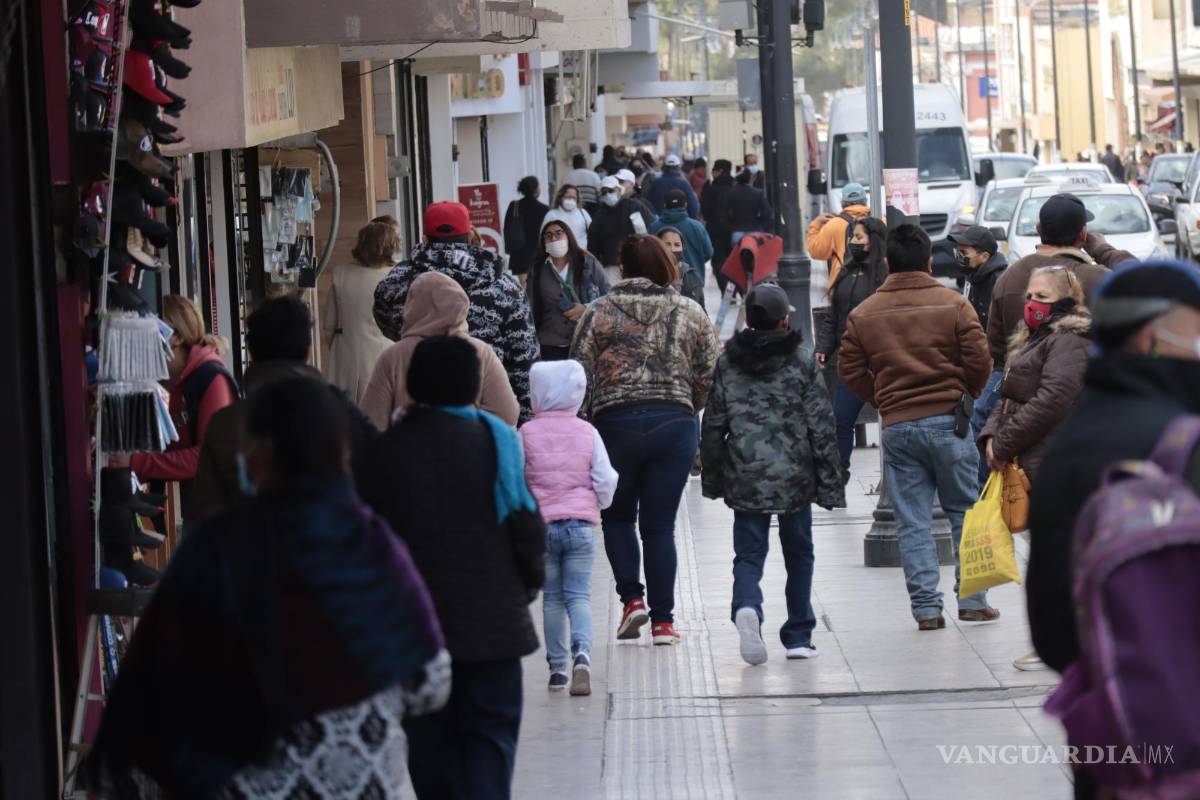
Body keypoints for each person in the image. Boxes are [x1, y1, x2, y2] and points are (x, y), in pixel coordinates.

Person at [84, 377, 450, 799]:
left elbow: (159, 682)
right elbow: (431, 681)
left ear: (264, 452)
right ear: (340, 451)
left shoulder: (217, 548)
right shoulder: (371, 545)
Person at [1026, 261, 1200, 800]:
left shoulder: (1070, 445)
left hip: (1114, 746)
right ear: (1153, 335)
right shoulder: (1186, 443)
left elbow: (1051, 630)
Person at [357, 335, 546, 800]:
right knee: (489, 742)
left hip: (414, 633)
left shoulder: (382, 453)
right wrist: (522, 588)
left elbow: (367, 547)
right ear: (472, 385)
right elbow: (525, 525)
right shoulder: (497, 438)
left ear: (415, 384)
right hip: (492, 629)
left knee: (430, 750)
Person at [838, 224, 997, 630]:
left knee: (912, 520)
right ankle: (972, 600)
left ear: (888, 263)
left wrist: (881, 399)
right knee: (965, 510)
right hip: (950, 421)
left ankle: (927, 609)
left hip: (898, 424)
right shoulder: (954, 305)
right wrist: (968, 393)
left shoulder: (864, 313)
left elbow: (850, 371)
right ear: (929, 261)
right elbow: (980, 360)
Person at [571, 235, 720, 646]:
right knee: (659, 527)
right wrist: (689, 405)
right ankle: (664, 623)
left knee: (617, 518)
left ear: (622, 267)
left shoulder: (597, 313)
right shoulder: (689, 311)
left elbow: (578, 372)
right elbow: (710, 369)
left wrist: (588, 420)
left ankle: (632, 600)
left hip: (614, 423)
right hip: (673, 424)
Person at [701, 283, 845, 666]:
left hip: (746, 474)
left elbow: (713, 424)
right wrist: (831, 486)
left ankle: (747, 605)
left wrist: (713, 480)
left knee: (748, 553)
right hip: (795, 475)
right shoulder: (800, 362)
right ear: (785, 320)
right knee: (799, 553)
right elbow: (821, 426)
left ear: (748, 320)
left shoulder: (727, 364)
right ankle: (799, 634)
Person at [976, 267, 1091, 673]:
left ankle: (1065, 644)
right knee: (1049, 560)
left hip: (1052, 462)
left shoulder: (1068, 343)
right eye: (1030, 294)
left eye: (1041, 296)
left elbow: (1053, 399)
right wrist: (991, 437)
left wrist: (1004, 444)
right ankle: (1059, 642)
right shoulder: (1033, 340)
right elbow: (1004, 395)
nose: (1031, 303)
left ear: (1063, 301)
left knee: (1061, 562)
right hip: (1030, 461)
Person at [191, 296, 378, 519]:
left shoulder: (225, 424)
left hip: (248, 550)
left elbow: (204, 516)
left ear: (252, 353)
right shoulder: (341, 412)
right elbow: (378, 486)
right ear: (308, 352)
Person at [374, 200, 540, 421]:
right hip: (486, 415)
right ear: (470, 236)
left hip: (415, 413)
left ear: (424, 238)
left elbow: (387, 323)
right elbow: (523, 358)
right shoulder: (504, 287)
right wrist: (525, 423)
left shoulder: (397, 283)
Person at [520, 360, 619, 695]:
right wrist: (597, 504)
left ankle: (558, 670)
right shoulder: (588, 432)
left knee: (552, 600)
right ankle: (582, 655)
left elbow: (518, 479)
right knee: (579, 596)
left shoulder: (526, 433)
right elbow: (605, 478)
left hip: (542, 528)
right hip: (580, 526)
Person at [987, 193, 1133, 381]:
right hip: (1084, 395)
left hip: (1020, 398)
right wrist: (1103, 250)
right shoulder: (1098, 279)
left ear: (1039, 230)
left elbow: (997, 349)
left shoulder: (1010, 276)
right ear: (1083, 235)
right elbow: (1142, 281)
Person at [110, 295, 237, 502]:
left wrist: (136, 461)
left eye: (152, 332)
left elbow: (204, 458)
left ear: (176, 338)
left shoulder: (212, 380)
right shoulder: (170, 382)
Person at [362, 271, 519, 429]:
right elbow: (508, 413)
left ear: (412, 305)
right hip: (467, 449)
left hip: (408, 450)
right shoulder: (480, 352)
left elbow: (371, 422)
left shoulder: (393, 357)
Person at [814, 216, 888, 482]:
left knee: (891, 420)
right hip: (852, 361)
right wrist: (824, 346)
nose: (853, 242)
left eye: (858, 237)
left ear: (874, 241)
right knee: (841, 419)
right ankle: (838, 475)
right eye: (852, 237)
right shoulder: (846, 271)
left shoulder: (885, 275)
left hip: (881, 361)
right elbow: (834, 315)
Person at [948, 226, 1010, 483]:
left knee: (977, 416)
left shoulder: (997, 281)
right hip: (982, 362)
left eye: (964, 251)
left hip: (1000, 364)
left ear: (984, 256)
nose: (958, 255)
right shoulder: (975, 278)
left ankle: (982, 484)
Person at [321, 220, 401, 404]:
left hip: (346, 359)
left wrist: (342, 345)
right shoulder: (398, 275)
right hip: (387, 357)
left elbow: (329, 326)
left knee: (345, 418)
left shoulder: (341, 274)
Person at [527, 219, 610, 361]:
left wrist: (586, 308)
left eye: (558, 233)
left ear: (568, 237)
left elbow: (609, 295)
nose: (553, 238)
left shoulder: (587, 262)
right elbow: (529, 306)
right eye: (548, 235)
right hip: (550, 343)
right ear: (544, 243)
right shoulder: (538, 269)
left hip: (586, 340)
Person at [588, 175, 656, 286]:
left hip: (636, 262)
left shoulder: (635, 206)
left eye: (611, 190)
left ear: (619, 190)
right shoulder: (599, 217)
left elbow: (650, 229)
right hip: (611, 267)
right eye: (604, 192)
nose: (608, 195)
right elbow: (593, 245)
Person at [807, 182, 871, 288]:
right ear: (865, 201)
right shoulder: (880, 220)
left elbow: (816, 251)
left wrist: (816, 224)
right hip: (873, 285)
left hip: (842, 285)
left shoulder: (833, 225)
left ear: (843, 203)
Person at [649, 189, 713, 292]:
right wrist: (696, 260)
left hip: (662, 282)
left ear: (665, 205)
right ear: (686, 205)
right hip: (693, 283)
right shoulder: (697, 227)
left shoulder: (654, 227)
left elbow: (649, 254)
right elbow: (709, 252)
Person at [502, 175, 549, 280]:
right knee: (538, 280)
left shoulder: (514, 206)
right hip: (538, 249)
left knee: (524, 283)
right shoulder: (544, 209)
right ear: (536, 189)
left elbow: (507, 227)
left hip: (519, 249)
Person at [702, 159, 736, 293]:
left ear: (720, 171)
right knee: (734, 261)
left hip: (716, 231)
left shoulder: (711, 188)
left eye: (714, 171)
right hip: (734, 231)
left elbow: (705, 210)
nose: (712, 173)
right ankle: (735, 289)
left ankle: (726, 292)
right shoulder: (735, 186)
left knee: (719, 262)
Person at [656, 227, 707, 312]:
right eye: (667, 244)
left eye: (677, 245)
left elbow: (702, 310)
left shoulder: (692, 276)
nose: (672, 249)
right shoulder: (650, 276)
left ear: (683, 247)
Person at [644, 153, 701, 218]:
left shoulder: (656, 183)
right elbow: (693, 205)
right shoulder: (684, 183)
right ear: (678, 167)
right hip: (680, 222)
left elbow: (648, 203)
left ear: (664, 167)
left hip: (661, 222)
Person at [725, 168, 774, 241]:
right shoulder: (758, 193)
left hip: (737, 231)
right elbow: (767, 213)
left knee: (737, 251)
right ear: (750, 178)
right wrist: (760, 223)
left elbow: (724, 213)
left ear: (737, 178)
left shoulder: (730, 193)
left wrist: (730, 225)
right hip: (754, 230)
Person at [541, 184, 592, 249]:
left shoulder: (583, 213)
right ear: (560, 198)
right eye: (567, 197)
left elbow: (592, 233)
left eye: (573, 198)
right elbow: (543, 235)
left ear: (577, 199)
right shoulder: (552, 215)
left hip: (581, 253)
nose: (570, 200)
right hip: (559, 254)